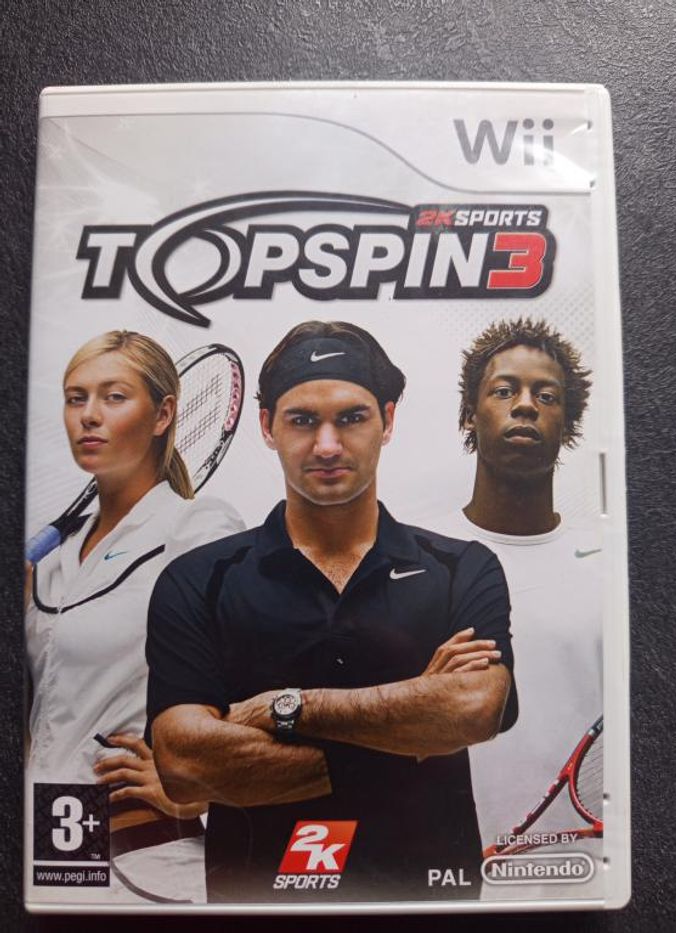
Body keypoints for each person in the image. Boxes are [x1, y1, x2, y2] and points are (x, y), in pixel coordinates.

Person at [146, 320, 518, 903]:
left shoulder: (461, 568)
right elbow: (183, 764)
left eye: (351, 418)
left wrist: (286, 708)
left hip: (427, 906)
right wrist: (413, 727)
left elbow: (474, 707)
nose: (326, 445)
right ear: (266, 426)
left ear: (387, 421)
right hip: (259, 909)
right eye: (302, 420)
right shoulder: (198, 579)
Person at [25, 330, 244, 905]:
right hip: (51, 851)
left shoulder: (198, 529)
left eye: (114, 397)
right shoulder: (49, 563)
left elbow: (264, 675)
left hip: (147, 861)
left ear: (163, 415)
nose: (89, 416)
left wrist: (206, 789)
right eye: (76, 398)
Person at [433, 317, 602, 893]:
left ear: (568, 424)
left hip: (577, 874)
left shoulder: (607, 565)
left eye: (546, 396)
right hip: (442, 873)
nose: (525, 405)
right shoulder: (410, 555)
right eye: (504, 390)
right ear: (469, 415)